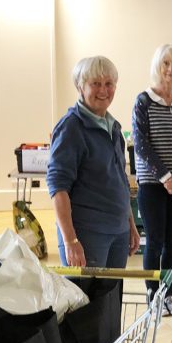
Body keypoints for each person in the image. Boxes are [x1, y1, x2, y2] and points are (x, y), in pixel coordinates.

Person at [47, 56, 140, 268]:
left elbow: (119, 180)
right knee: (86, 300)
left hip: (118, 231)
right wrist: (70, 241)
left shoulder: (114, 128)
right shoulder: (71, 127)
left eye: (109, 84)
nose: (103, 90)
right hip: (87, 233)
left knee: (111, 300)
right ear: (80, 87)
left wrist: (130, 224)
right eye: (95, 84)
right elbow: (58, 187)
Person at [132, 44, 172, 316]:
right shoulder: (143, 101)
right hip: (152, 184)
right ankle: (152, 295)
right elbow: (141, 144)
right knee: (155, 241)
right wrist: (167, 177)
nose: (171, 69)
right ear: (158, 66)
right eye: (166, 63)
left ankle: (168, 295)